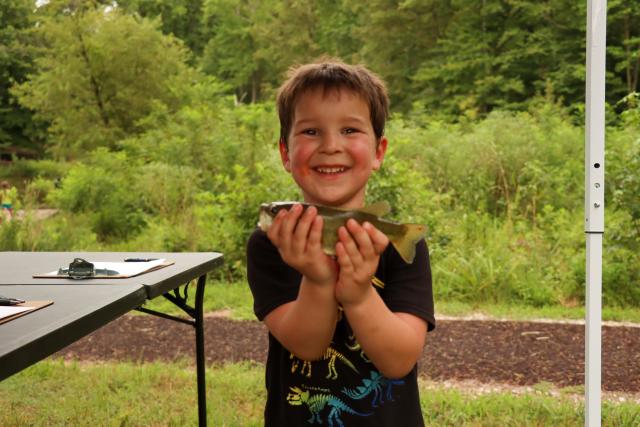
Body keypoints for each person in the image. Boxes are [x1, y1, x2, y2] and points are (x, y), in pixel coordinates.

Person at [247, 59, 435, 426]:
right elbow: (307, 345)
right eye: (311, 132)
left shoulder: (394, 243)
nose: (331, 146)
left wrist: (359, 294)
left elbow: (399, 360)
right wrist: (319, 281)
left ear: (379, 152)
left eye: (350, 130)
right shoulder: (271, 243)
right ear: (286, 154)